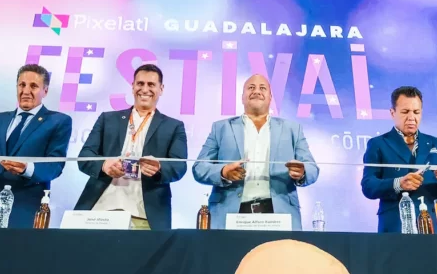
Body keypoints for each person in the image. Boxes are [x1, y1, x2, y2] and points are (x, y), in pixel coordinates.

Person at [192, 74, 318, 230]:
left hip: (280, 214)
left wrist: (303, 172)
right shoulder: (221, 128)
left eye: (262, 88)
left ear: (270, 97)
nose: (256, 91)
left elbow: (312, 169)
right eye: (251, 88)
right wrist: (223, 172)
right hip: (229, 213)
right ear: (242, 97)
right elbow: (199, 168)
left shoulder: (292, 129)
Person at [74, 64, 188, 230]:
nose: (145, 89)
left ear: (161, 89)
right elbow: (85, 156)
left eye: (151, 84)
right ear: (133, 86)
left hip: (145, 215)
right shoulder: (108, 119)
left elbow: (179, 166)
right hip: (99, 209)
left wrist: (159, 168)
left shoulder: (173, 126)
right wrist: (104, 165)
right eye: (140, 83)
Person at [0, 64, 71, 228]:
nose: (26, 91)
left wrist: (26, 168)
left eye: (33, 86)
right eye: (22, 85)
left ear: (45, 91)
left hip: (25, 211)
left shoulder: (58, 121)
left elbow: (55, 166)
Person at [361, 86, 437, 233]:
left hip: (434, 227)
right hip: (395, 227)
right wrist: (398, 184)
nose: (411, 117)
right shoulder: (378, 144)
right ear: (392, 113)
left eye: (416, 112)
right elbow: (368, 186)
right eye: (405, 112)